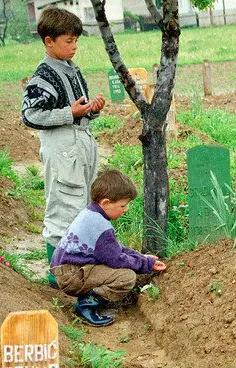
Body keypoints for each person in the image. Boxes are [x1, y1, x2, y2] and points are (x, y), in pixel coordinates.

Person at [21, 6, 106, 287]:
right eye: (68, 41)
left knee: (82, 203)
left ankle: (77, 268)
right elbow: (30, 115)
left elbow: (78, 109)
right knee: (62, 205)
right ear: (49, 41)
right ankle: (56, 275)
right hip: (61, 146)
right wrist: (69, 113)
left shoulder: (71, 70)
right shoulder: (43, 75)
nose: (74, 46)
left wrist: (91, 110)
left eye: (76, 41)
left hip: (81, 140)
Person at [51, 169, 167, 326]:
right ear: (105, 203)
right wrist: (146, 265)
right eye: (123, 205)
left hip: (69, 270)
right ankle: (86, 306)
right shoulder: (100, 226)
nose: (125, 210)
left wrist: (143, 259)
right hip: (70, 276)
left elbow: (117, 248)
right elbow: (116, 259)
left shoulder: (91, 214)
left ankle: (88, 299)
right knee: (126, 277)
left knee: (118, 270)